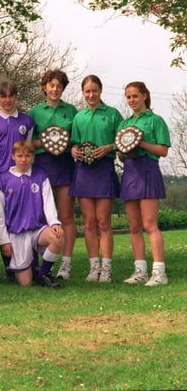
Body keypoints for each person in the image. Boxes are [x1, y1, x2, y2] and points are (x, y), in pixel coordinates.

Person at [68, 75, 123, 283]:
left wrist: (109, 147)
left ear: (101, 91)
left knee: (103, 222)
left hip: (104, 168)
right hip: (83, 171)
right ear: (83, 92)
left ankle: (107, 268)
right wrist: (73, 150)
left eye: (94, 91)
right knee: (89, 223)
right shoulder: (79, 117)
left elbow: (123, 142)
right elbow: (73, 142)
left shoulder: (112, 114)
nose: (91, 95)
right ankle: (94, 268)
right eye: (87, 91)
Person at [118, 81, 171, 286]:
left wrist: (141, 143)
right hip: (130, 172)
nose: (132, 100)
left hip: (149, 171)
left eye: (135, 96)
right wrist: (124, 152)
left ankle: (159, 272)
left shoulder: (156, 120)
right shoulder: (124, 124)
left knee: (150, 225)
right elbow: (121, 156)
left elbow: (163, 151)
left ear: (145, 96)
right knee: (134, 226)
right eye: (129, 97)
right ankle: (139, 271)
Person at [0, 79, 34, 279]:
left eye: (11, 96)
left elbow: (27, 150)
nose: (7, 100)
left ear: (16, 97)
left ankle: (18, 264)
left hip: (18, 176)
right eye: (3, 96)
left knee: (15, 218)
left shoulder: (26, 121)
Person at [28, 69, 77, 280]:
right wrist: (44, 142)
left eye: (58, 86)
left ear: (63, 88)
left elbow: (75, 139)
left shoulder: (72, 111)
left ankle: (65, 263)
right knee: (40, 216)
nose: (55, 89)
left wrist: (69, 146)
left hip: (65, 163)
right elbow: (28, 143)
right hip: (42, 164)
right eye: (51, 85)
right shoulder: (34, 112)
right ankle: (36, 261)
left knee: (65, 215)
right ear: (44, 87)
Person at [0, 141, 64, 288]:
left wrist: (54, 223)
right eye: (20, 156)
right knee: (25, 283)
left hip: (38, 229)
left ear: (33, 157)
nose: (23, 159)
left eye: (27, 156)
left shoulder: (40, 175)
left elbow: (48, 202)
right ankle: (28, 269)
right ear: (13, 156)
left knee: (58, 237)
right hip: (16, 233)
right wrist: (4, 241)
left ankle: (43, 274)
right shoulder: (3, 180)